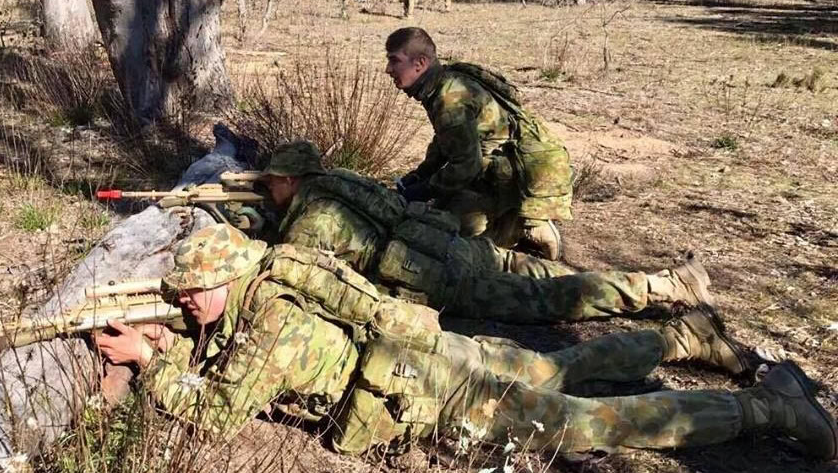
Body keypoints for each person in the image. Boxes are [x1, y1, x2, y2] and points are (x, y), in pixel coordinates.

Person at [95, 224, 837, 461]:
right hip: (436, 353)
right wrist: (184, 334)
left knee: (583, 426)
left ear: (229, 274)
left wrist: (152, 361)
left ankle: (767, 411)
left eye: (195, 291)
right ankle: (683, 336)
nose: (188, 301)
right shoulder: (275, 278)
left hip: (434, 390)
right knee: (560, 363)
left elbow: (220, 413)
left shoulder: (268, 321)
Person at [257, 140, 717, 327]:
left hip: (439, 275)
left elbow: (290, 273)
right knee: (536, 271)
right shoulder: (340, 178)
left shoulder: (308, 222)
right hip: (453, 243)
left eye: (272, 181)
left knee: (552, 299)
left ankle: (664, 286)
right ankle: (648, 282)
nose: (269, 186)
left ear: (290, 180)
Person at [385, 27, 573, 260]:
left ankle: (520, 227)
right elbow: (448, 140)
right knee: (438, 212)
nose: (388, 69)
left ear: (420, 63)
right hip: (498, 169)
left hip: (507, 176)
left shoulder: (449, 97)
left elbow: (466, 166)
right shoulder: (445, 82)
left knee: (447, 239)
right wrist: (419, 175)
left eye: (394, 61)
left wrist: (424, 189)